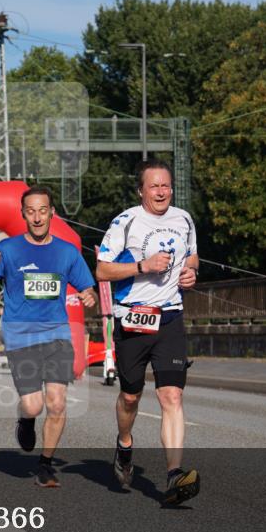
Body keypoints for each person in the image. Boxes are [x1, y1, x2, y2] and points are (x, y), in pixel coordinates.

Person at [0, 187, 96, 487]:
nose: (37, 217)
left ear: (52, 212)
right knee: (33, 405)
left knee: (57, 403)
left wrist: (89, 295)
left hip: (57, 336)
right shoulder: (8, 250)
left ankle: (46, 464)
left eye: (43, 210)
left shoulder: (67, 251)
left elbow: (87, 288)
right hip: (21, 337)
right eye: (31, 211)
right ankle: (25, 421)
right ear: (22, 213)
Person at [95, 161, 200, 505]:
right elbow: (103, 269)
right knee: (130, 396)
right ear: (141, 190)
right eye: (154, 186)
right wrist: (142, 266)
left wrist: (190, 274)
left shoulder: (183, 220)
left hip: (170, 318)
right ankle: (124, 444)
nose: (160, 192)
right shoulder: (125, 222)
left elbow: (193, 258)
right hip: (134, 320)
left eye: (166, 186)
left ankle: (173, 475)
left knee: (172, 397)